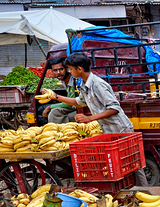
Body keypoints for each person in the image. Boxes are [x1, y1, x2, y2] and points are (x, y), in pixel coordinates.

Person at [37, 53, 148, 186]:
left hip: (120, 128)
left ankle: (144, 190)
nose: (69, 72)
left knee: (133, 163)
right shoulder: (83, 84)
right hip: (107, 130)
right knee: (117, 164)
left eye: (70, 69)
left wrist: (89, 118)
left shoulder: (98, 84)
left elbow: (114, 108)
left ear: (79, 69)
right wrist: (56, 97)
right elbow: (79, 102)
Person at [42, 58, 77, 123]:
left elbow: (71, 103)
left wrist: (49, 107)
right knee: (55, 112)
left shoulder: (74, 81)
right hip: (73, 105)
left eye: (61, 69)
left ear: (66, 69)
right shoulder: (63, 81)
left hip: (77, 106)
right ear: (52, 71)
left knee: (54, 113)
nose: (58, 72)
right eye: (55, 70)